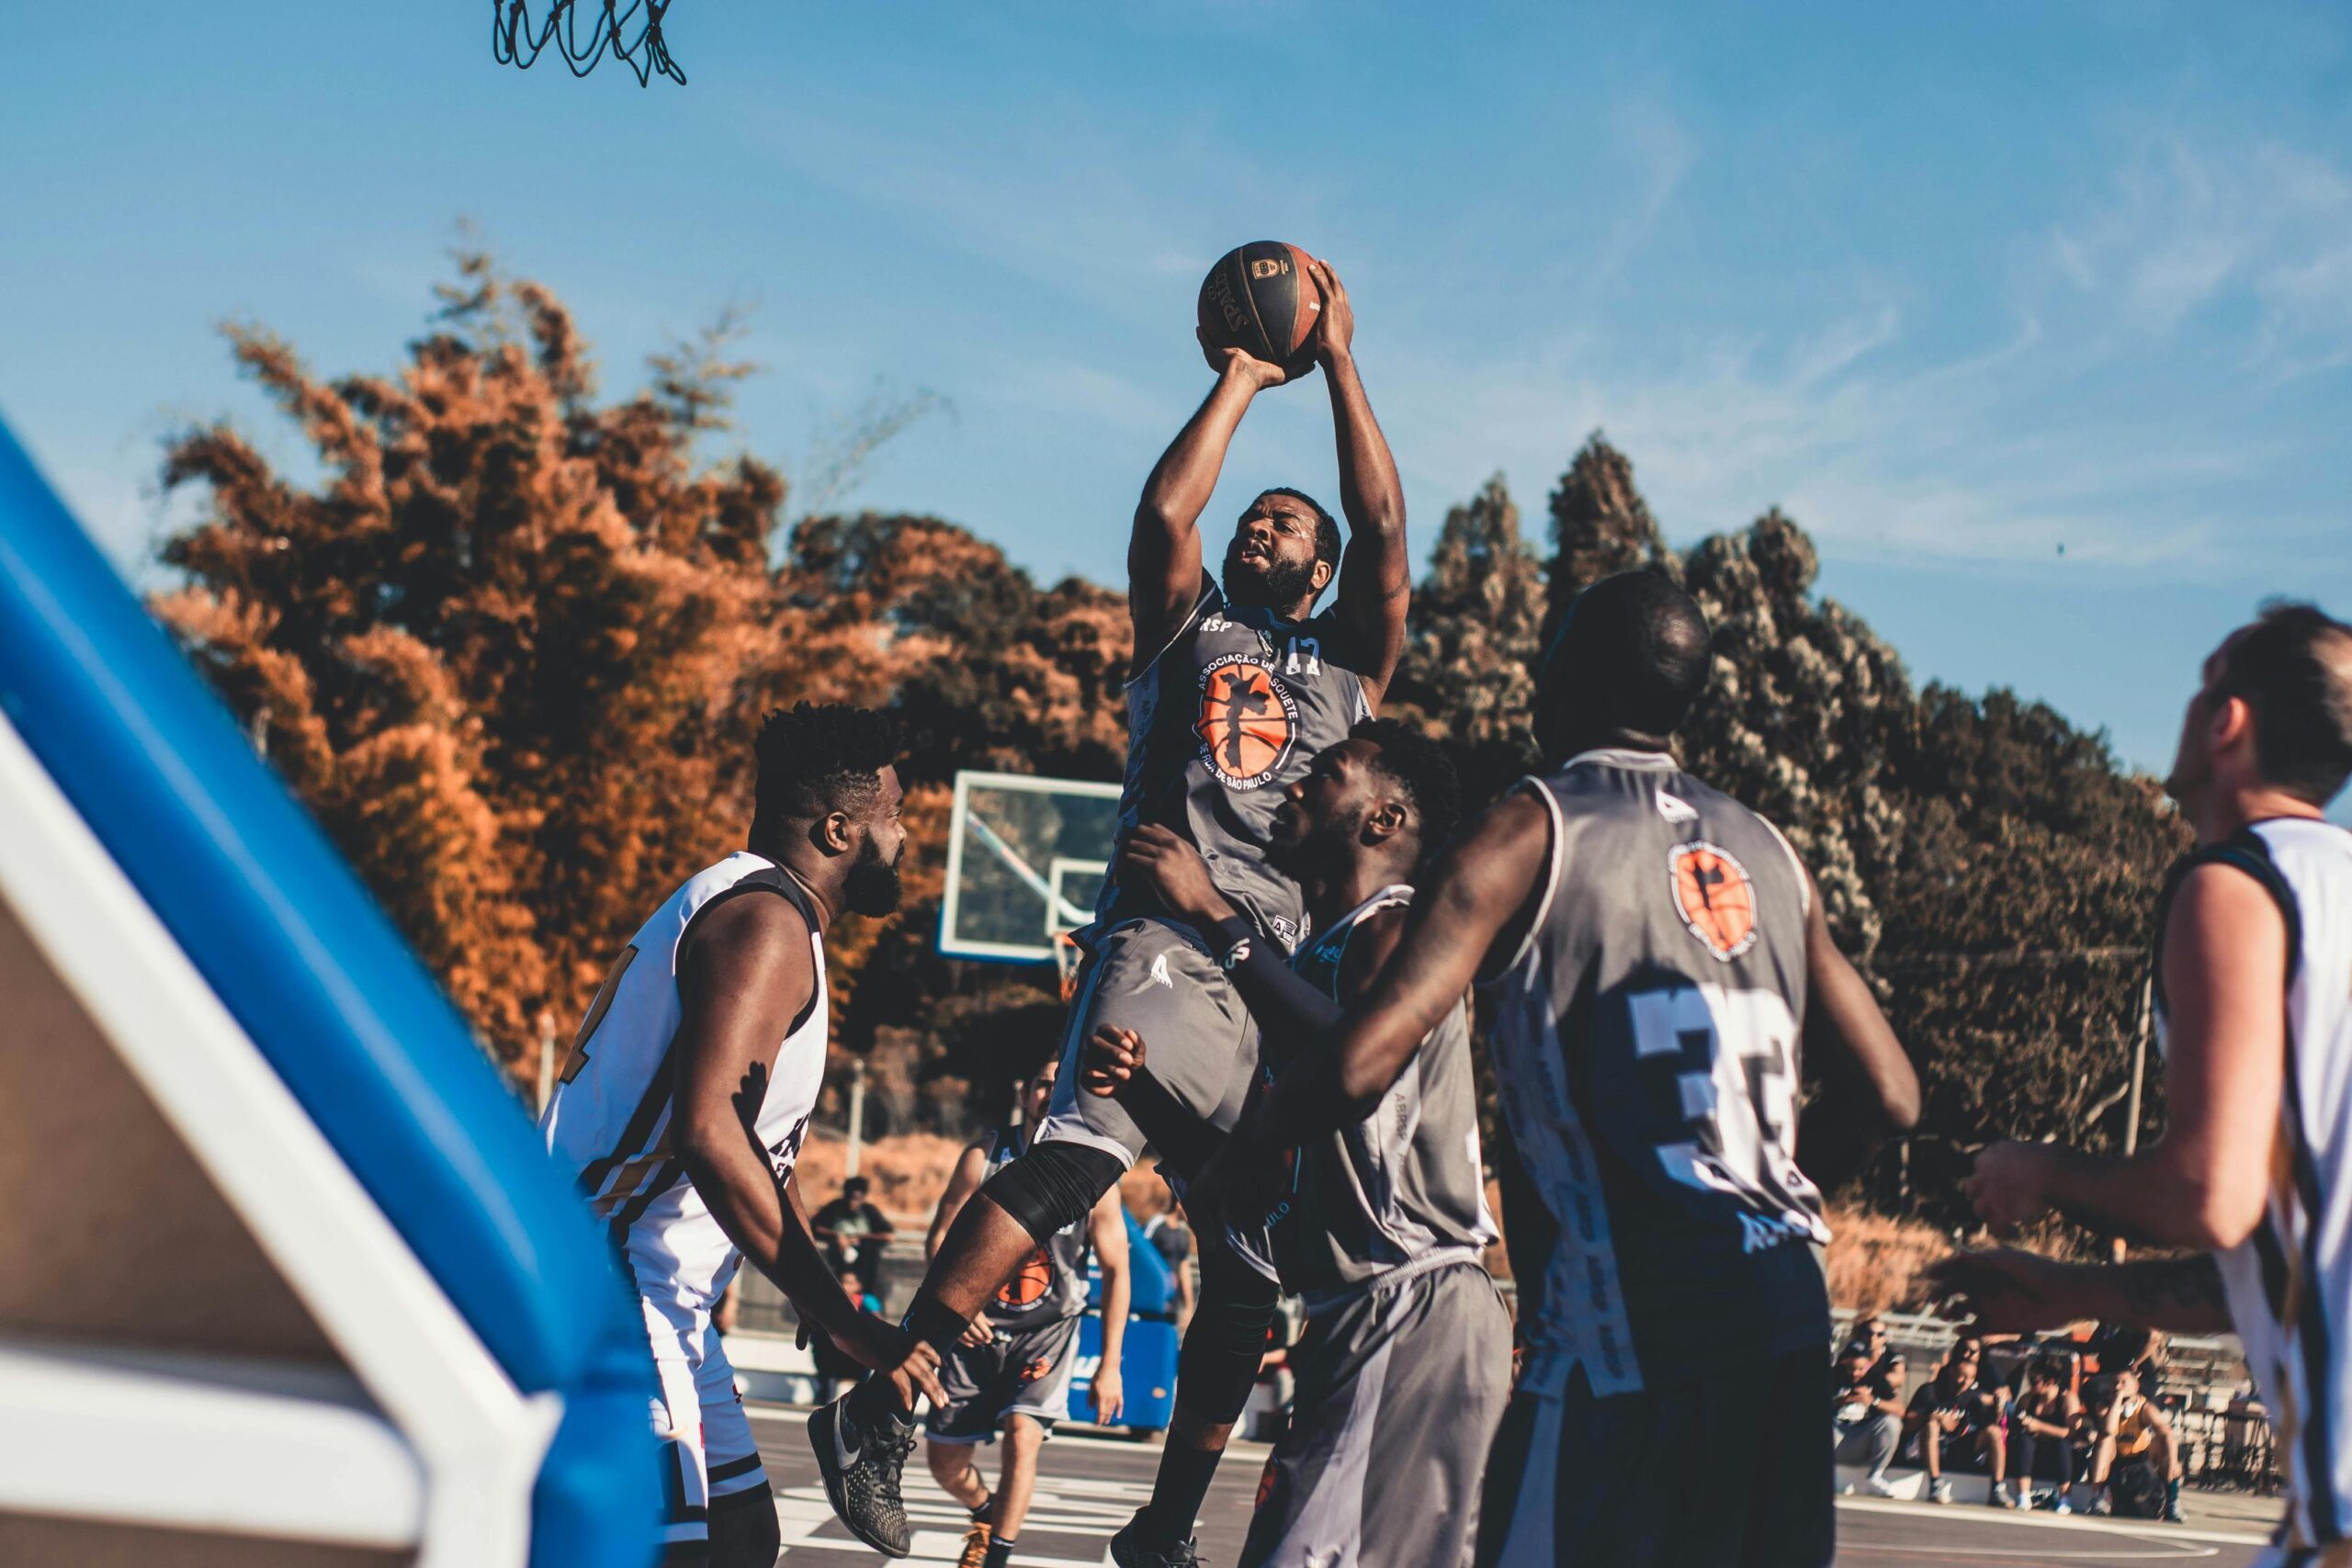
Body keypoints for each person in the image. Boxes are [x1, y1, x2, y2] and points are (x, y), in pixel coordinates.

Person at [811, 258, 1413, 1564]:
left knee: (1246, 1270)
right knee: (1082, 1152)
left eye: (1288, 525)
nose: (1265, 526)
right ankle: (887, 1396)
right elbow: (1162, 513)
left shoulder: (1351, 666)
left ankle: (1162, 1528)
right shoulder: (1190, 634)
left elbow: (1385, 533)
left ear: (1319, 570)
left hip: (1269, 980)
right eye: (1255, 517)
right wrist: (1250, 375)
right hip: (1161, 938)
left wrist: (1347, 362)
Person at [1182, 570, 1922, 1568]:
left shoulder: (1534, 827)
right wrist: (1748, 1204)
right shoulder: (1768, 850)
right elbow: (1891, 1094)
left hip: (1628, 1313)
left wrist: (1247, 1149)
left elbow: (1363, 1061)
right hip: (1783, 1305)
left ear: (1560, 677)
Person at [1932, 602, 2352, 1565]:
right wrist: (2073, 1292)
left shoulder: (2237, 886)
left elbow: (2210, 1191)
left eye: (2202, 683)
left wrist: (2038, 1169)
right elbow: (2267, 1254)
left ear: (2226, 722)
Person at [1085, 718, 1510, 1568]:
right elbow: (1254, 1178)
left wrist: (1211, 910)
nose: (1295, 786)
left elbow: (1354, 1063)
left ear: (1382, 819)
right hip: (1369, 1314)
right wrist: (1144, 1093)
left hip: (1411, 1303)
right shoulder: (1321, 954)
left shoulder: (1393, 929)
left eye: (1329, 772)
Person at [539, 703, 944, 1568]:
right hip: (617, 1276)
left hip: (651, 1287)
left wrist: (812, 1288)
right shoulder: (766, 926)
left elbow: (757, 1150)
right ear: (840, 829)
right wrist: (846, 1321)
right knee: (677, 1553)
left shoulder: (760, 912)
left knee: (743, 1538)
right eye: (894, 817)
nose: (904, 837)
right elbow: (710, 1131)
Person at [923, 1059, 1132, 1568]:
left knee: (1024, 1434)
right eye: (1043, 1084)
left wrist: (1110, 1364)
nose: (1050, 1094)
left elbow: (1118, 1269)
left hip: (1047, 1332)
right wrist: (956, 1305)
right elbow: (939, 1240)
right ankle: (987, 1509)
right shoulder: (984, 1155)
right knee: (946, 1463)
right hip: (977, 1330)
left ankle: (994, 1556)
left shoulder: (1096, 1172)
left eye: (1062, 1087)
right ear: (1025, 1093)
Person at [1904, 1338, 2007, 1506]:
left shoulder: (1973, 1394)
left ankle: (1997, 1488)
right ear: (1952, 1372)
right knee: (1932, 1426)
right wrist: (1932, 1416)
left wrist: (1998, 1405)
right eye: (1962, 1377)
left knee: (1994, 1431)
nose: (1965, 1382)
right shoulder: (1930, 1390)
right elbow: (1908, 1423)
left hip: (1958, 1449)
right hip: (1929, 1447)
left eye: (1971, 1378)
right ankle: (1935, 1484)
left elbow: (1993, 1417)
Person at [2082, 1367, 2186, 1521]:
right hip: (2114, 1459)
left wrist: (2172, 1460)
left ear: (2135, 1386)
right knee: (2104, 1440)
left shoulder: (2145, 1408)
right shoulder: (2103, 1405)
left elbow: (2167, 1433)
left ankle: (2173, 1502)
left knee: (2164, 1444)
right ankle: (2097, 1498)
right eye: (2115, 1383)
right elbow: (2109, 1430)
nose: (2118, 1386)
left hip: (2140, 1459)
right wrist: (2117, 1401)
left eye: (2123, 1383)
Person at [2006, 1354, 2086, 1512]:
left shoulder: (2067, 1399)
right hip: (2033, 1455)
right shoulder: (2027, 1399)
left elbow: (2071, 1433)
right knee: (2024, 1440)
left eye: (2035, 1382)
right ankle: (2023, 1495)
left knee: (2061, 1444)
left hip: (2060, 1455)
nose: (2030, 1385)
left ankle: (2064, 1498)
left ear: (2050, 1382)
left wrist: (2039, 1426)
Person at [1832, 1340, 1905, 1497]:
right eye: (1851, 1368)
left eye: (1860, 1369)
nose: (1855, 1374)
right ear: (1844, 1362)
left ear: (1868, 1365)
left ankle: (1875, 1476)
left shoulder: (1876, 1377)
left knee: (1891, 1422)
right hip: (1837, 1436)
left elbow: (1900, 1410)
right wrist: (1842, 1401)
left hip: (1864, 1439)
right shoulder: (1833, 1375)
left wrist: (1873, 1400)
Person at [810, 1269, 888, 1402]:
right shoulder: (831, 1300)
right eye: (843, 1282)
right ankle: (825, 1394)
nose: (846, 1286)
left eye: (850, 1283)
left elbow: (877, 1321)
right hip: (833, 1347)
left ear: (859, 1286)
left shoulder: (866, 1301)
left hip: (858, 1347)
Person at [812, 1176, 898, 1282]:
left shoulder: (869, 1211)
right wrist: (837, 1236)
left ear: (863, 1198)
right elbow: (815, 1227)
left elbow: (889, 1236)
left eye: (857, 1199)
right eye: (850, 1198)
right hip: (838, 1263)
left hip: (864, 1264)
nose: (852, 1203)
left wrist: (860, 1238)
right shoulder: (835, 1207)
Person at [1144, 1205, 1196, 1335]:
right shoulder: (1157, 1223)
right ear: (1179, 1203)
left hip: (1173, 1301)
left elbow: (1184, 1268)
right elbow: (1143, 1254)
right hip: (1152, 1299)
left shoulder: (1184, 1232)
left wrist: (1189, 1306)